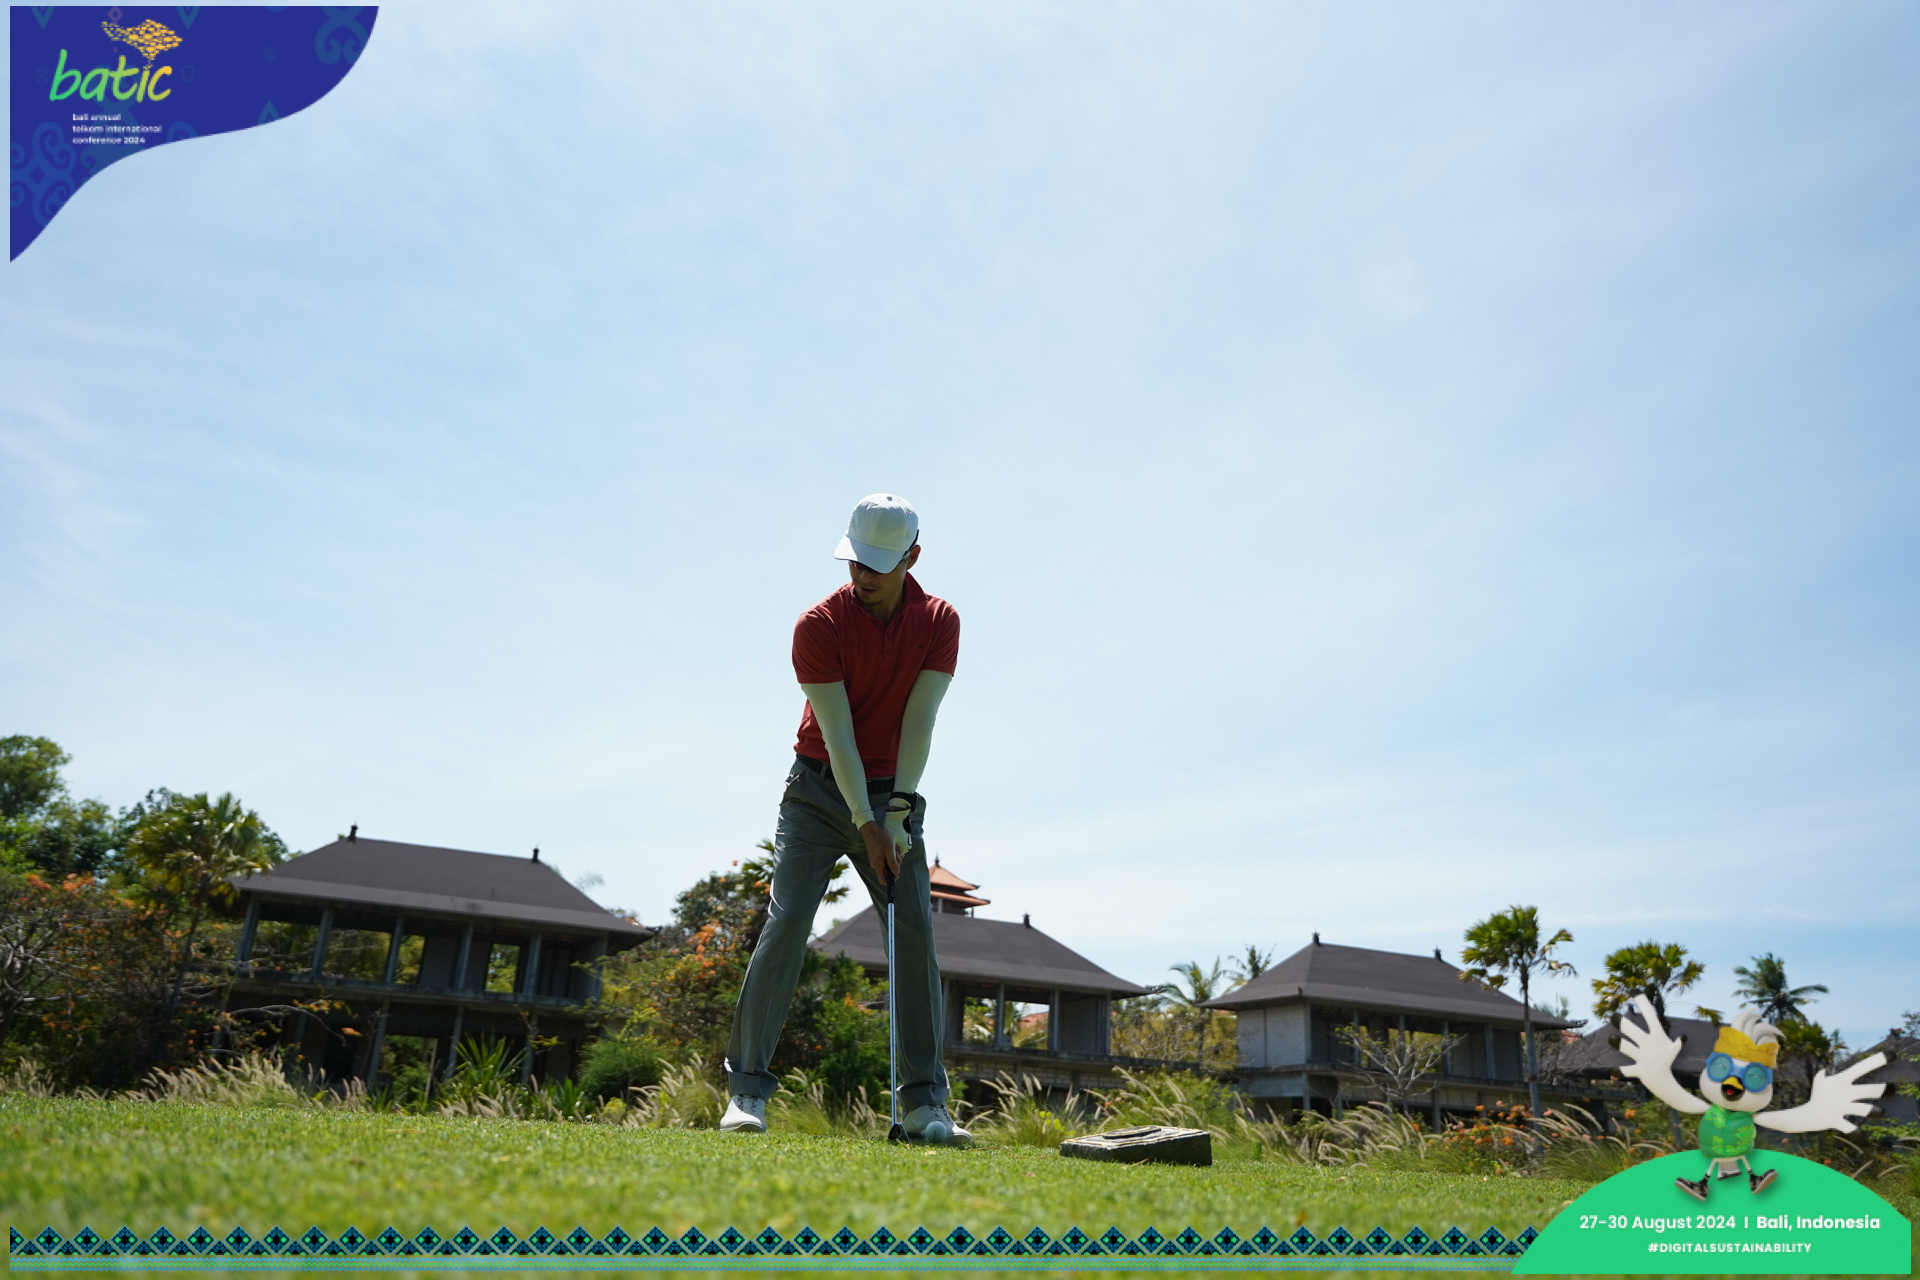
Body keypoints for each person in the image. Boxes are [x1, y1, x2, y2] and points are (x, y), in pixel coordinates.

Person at [719, 493, 969, 1141]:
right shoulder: (818, 626)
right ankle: (746, 1093)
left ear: (912, 558)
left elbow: (920, 722)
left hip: (893, 792)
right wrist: (865, 821)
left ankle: (925, 1105)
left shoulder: (939, 620)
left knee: (913, 930)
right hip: (816, 790)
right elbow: (838, 735)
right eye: (856, 562)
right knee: (787, 922)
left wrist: (897, 813)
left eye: (878, 566)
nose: (863, 576)